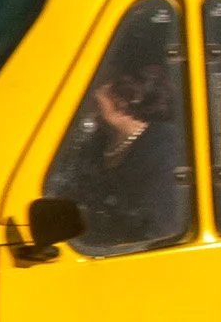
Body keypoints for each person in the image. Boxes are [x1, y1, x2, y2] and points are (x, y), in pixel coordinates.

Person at [51, 60, 190, 252]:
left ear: (129, 95)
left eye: (99, 83)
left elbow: (161, 228)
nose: (88, 92)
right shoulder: (97, 142)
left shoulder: (165, 146)